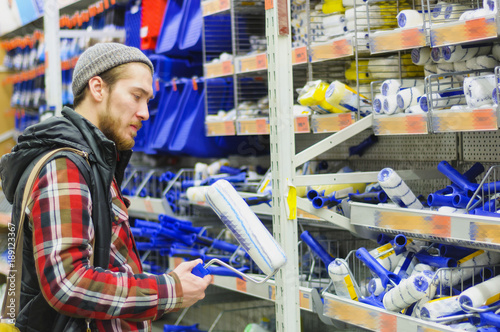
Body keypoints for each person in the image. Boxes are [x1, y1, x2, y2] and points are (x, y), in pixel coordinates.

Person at [0, 42, 212, 332]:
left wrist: (164, 289)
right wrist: (168, 290)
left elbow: (106, 266)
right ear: (98, 88)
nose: (145, 113)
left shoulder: (94, 162)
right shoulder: (66, 167)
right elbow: (68, 283)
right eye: (136, 96)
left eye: (147, 100)